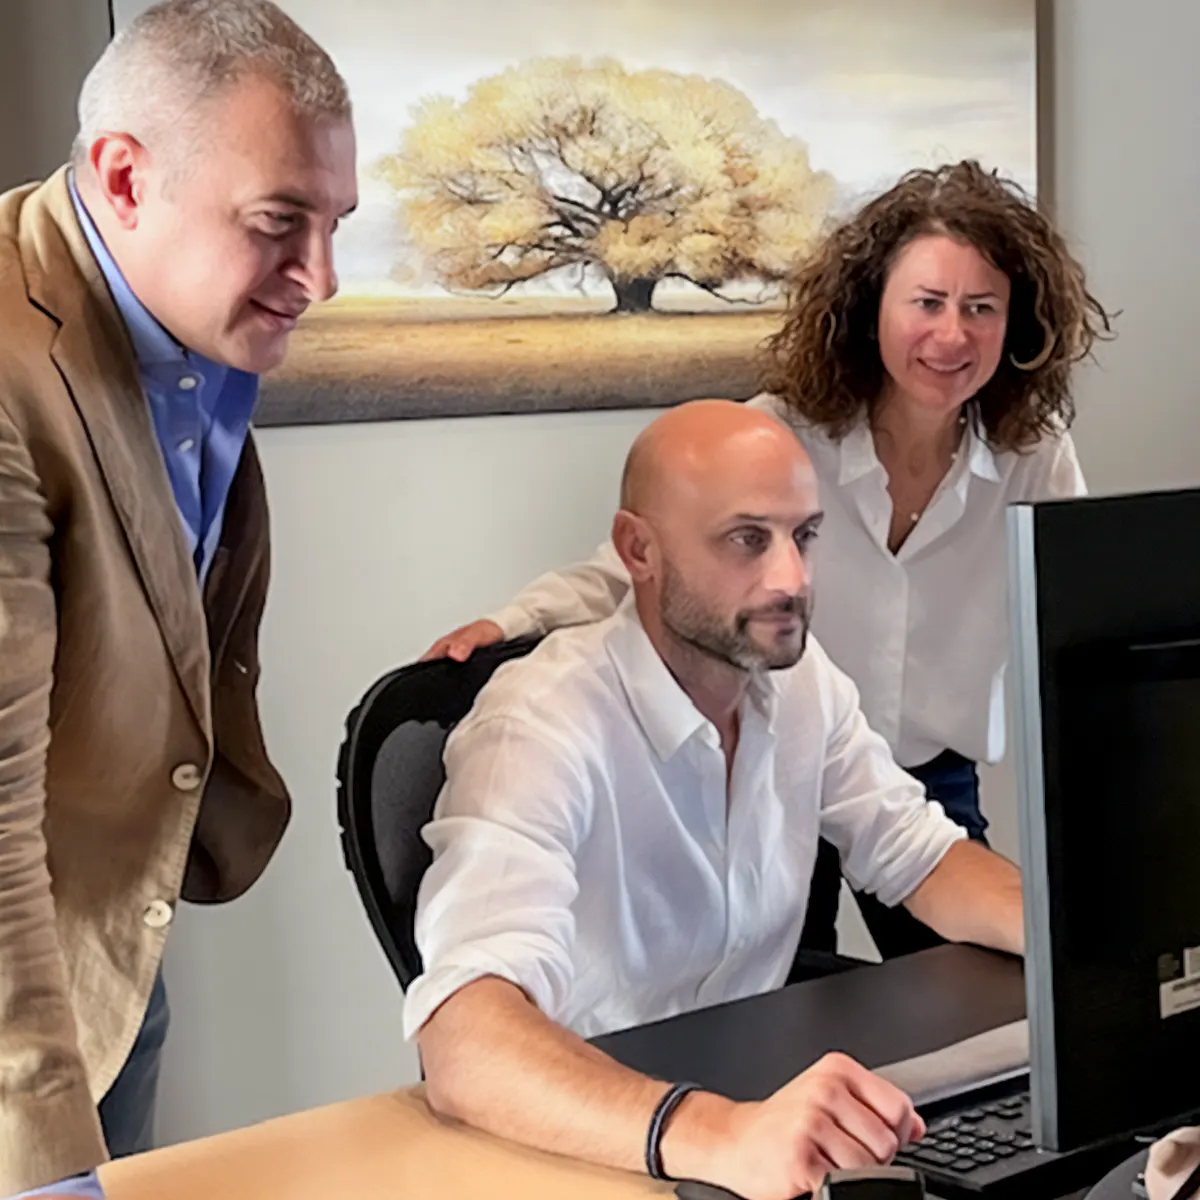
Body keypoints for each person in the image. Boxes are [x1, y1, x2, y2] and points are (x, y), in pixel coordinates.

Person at [422, 159, 1112, 963]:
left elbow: (1081, 618)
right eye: (927, 302)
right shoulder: (780, 437)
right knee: (779, 978)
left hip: (922, 765)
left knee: (980, 978)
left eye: (981, 308)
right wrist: (513, 621)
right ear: (873, 309)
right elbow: (644, 567)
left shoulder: (1033, 454)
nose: (952, 335)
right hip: (778, 756)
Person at [407, 399, 1025, 1200]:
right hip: (583, 1139)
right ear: (639, 550)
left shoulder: (799, 682)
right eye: (747, 540)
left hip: (745, 1108)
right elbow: (462, 1039)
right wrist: (719, 1135)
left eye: (805, 536)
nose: (792, 579)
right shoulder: (540, 724)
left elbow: (918, 854)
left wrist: (1087, 950)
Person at [0, 2, 357, 1195]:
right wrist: (45, 1160)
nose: (322, 278)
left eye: (335, 224)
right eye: (280, 223)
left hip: (110, 933)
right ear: (124, 177)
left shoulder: (179, 312)